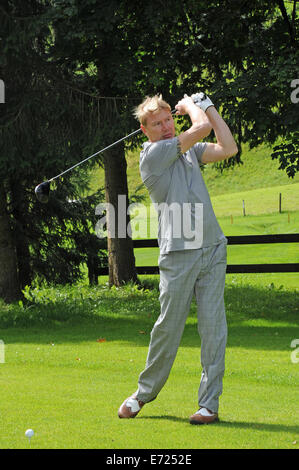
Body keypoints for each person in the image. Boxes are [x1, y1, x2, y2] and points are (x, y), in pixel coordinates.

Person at [118, 92, 238, 424]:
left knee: (214, 328)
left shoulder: (187, 153)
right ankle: (143, 394)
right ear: (145, 131)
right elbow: (199, 129)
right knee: (168, 329)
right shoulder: (154, 155)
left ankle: (209, 405)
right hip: (179, 254)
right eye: (157, 123)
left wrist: (210, 106)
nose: (166, 126)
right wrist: (192, 109)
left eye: (170, 118)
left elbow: (228, 148)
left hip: (212, 247)